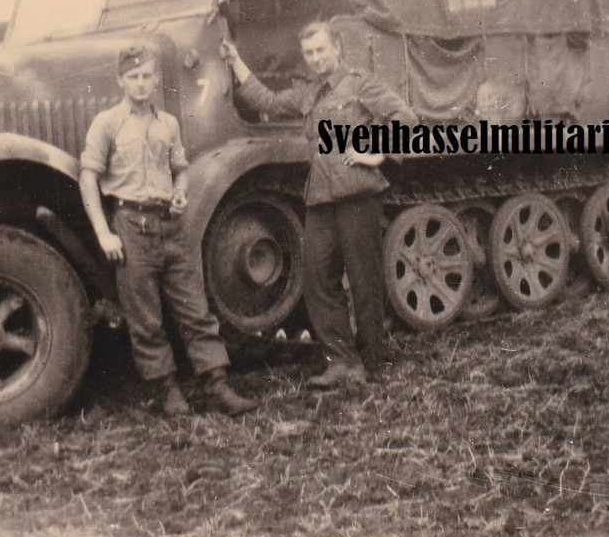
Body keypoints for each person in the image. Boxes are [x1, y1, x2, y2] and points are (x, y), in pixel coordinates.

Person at [221, 21, 419, 388]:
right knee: (318, 280)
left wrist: (376, 152)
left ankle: (371, 364)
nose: (315, 58)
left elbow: (405, 118)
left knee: (364, 282)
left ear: (337, 48)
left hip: (357, 195)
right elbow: (267, 101)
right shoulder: (308, 93)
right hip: (320, 198)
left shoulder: (359, 84)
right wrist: (235, 61)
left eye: (321, 50)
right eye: (309, 53)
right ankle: (340, 361)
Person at [80, 44, 257, 417]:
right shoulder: (107, 123)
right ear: (120, 80)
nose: (141, 83)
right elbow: (88, 178)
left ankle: (217, 386)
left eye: (147, 76)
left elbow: (181, 169)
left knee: (196, 311)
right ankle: (167, 391)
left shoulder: (168, 124)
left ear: (156, 78)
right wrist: (103, 232)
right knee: (146, 319)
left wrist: (180, 193)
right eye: (133, 77)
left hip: (171, 226)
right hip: (131, 225)